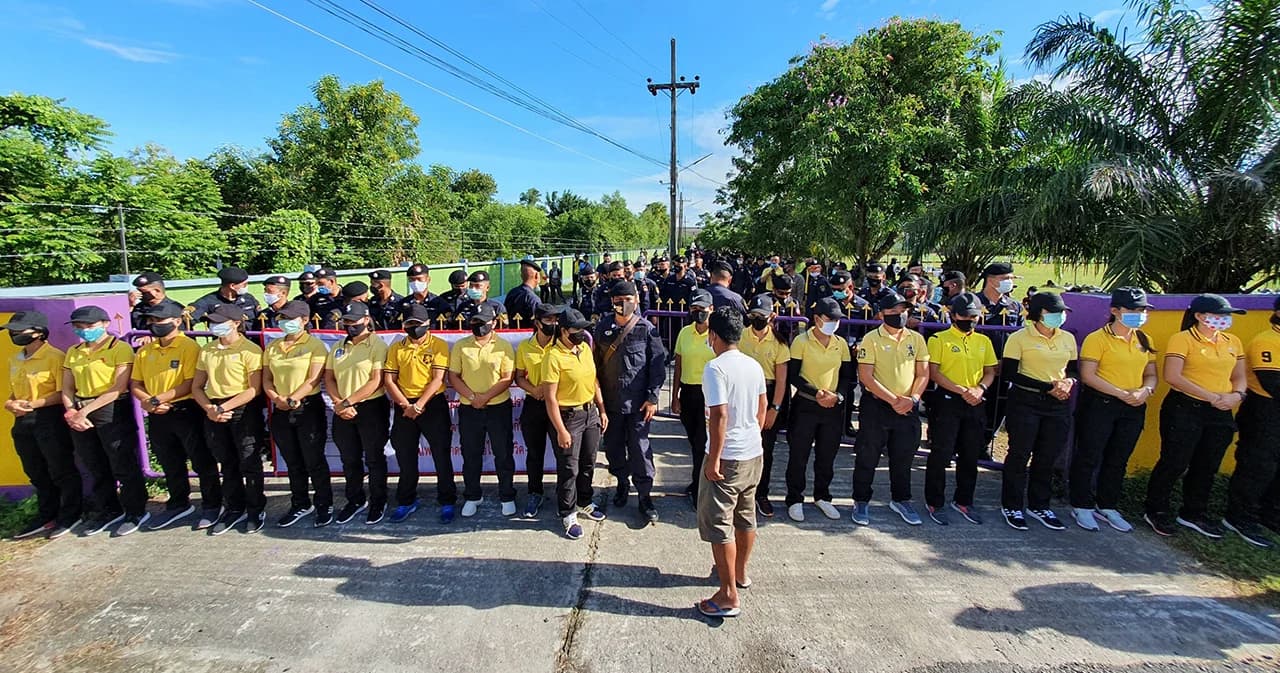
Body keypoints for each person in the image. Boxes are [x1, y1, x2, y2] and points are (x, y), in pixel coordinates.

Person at [1144, 294, 1247, 539]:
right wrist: (1211, 396)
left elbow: (1239, 376)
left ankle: (1193, 512)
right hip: (1186, 407)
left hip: (1221, 410)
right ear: (1199, 316)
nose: (1224, 319)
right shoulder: (1183, 339)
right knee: (1174, 461)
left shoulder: (1232, 341)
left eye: (1227, 316)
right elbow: (1173, 376)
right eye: (1219, 315)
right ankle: (1156, 509)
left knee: (1207, 464)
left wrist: (1237, 395)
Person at [696, 307, 766, 619]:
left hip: (728, 457)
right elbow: (762, 407)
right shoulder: (753, 364)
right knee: (745, 516)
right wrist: (751, 435)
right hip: (752, 452)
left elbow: (719, 415)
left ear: (713, 335)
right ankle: (739, 573)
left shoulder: (715, 368)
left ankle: (727, 595)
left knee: (719, 523)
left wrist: (714, 459)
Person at [1070, 287, 1157, 533]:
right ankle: (1081, 504)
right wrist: (1120, 393)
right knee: (1089, 454)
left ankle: (1107, 504)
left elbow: (1151, 374)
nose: (1139, 314)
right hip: (1102, 404)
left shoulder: (1145, 339)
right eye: (1133, 309)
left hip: (1134, 406)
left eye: (1142, 310)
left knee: (1118, 458)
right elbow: (1089, 375)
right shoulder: (1097, 338)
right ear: (1115, 311)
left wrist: (1145, 390)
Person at [131, 301, 221, 530]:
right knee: (169, 461)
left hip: (185, 410)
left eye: (159, 320)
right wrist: (148, 401)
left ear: (177, 321)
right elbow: (136, 383)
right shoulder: (145, 351)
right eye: (152, 320)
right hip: (157, 412)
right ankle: (179, 503)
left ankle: (212, 504)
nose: (154, 324)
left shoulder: (188, 347)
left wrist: (157, 399)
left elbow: (190, 383)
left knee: (201, 459)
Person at [62, 306, 148, 536]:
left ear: (105, 324)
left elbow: (118, 387)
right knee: (94, 463)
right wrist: (71, 411)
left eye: (90, 326)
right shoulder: (74, 351)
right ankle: (109, 509)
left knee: (122, 462)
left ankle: (135, 510)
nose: (84, 330)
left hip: (110, 408)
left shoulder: (119, 348)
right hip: (80, 409)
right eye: (79, 326)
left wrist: (84, 411)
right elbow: (67, 387)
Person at [999, 292, 1078, 531]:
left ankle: (1040, 504)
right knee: (1019, 454)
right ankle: (1012, 504)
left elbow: (1073, 369)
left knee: (1047, 456)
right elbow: (1010, 373)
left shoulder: (1067, 338)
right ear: (1038, 313)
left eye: (1061, 312)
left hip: (1058, 404)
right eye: (1053, 312)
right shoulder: (1019, 338)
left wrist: (1068, 383)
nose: (1059, 316)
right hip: (1026, 401)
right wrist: (1047, 387)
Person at [851, 292, 931, 527]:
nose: (900, 315)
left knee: (903, 456)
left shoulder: (916, 339)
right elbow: (866, 377)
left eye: (903, 311)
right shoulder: (871, 339)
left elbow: (923, 373)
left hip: (907, 407)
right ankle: (861, 500)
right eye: (894, 312)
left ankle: (901, 499)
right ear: (882, 314)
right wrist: (893, 400)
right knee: (867, 455)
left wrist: (913, 398)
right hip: (877, 406)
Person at [3, 311, 82, 539]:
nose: (14, 335)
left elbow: (62, 392)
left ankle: (71, 514)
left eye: (19, 331)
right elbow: (15, 392)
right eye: (11, 331)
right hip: (22, 420)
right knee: (35, 470)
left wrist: (32, 404)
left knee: (60, 468)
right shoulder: (15, 359)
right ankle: (47, 514)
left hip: (48, 418)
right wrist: (10, 403)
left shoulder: (55, 357)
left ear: (38, 332)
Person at [190, 304, 266, 535]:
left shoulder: (250, 350)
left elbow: (254, 389)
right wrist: (210, 409)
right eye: (212, 322)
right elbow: (197, 386)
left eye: (220, 322)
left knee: (249, 461)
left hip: (242, 408)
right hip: (213, 407)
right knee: (226, 461)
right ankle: (234, 507)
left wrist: (224, 407)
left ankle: (255, 509)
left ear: (235, 323)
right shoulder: (208, 350)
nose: (214, 326)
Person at [594, 280, 666, 523]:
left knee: (640, 449)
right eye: (618, 301)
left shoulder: (646, 329)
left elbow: (657, 366)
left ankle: (645, 496)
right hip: (611, 403)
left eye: (627, 300)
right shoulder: (603, 328)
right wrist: (599, 404)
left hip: (638, 405)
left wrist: (652, 398)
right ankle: (622, 482)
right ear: (612, 302)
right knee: (613, 448)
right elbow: (594, 367)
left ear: (635, 301)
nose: (623, 304)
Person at [924, 293, 997, 526]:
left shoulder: (983, 341)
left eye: (974, 316)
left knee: (970, 453)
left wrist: (979, 389)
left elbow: (990, 371)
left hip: (975, 400)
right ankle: (935, 501)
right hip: (948, 401)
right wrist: (961, 390)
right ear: (954, 315)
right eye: (965, 316)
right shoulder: (939, 339)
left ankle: (964, 500)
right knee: (941, 453)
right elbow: (934, 372)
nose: (970, 320)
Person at [262, 300, 333, 528]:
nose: (285, 322)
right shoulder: (273, 346)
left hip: (307, 407)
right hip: (280, 407)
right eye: (282, 318)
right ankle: (300, 503)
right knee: (293, 462)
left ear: (304, 320)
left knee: (314, 460)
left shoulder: (315, 346)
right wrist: (278, 399)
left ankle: (324, 504)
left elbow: (314, 378)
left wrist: (293, 399)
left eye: (290, 318)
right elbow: (266, 379)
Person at [384, 303, 456, 524]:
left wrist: (420, 404)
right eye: (409, 324)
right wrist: (406, 405)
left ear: (427, 324)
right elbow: (389, 380)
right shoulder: (397, 348)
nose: (414, 328)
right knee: (406, 457)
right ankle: (406, 501)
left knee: (441, 455)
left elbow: (438, 378)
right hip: (405, 405)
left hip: (432, 405)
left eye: (418, 324)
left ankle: (447, 500)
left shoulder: (438, 345)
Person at [784, 298, 853, 522]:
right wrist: (817, 393)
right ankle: (795, 498)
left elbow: (847, 376)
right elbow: (794, 375)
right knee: (799, 455)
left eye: (837, 319)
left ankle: (822, 496)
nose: (834, 323)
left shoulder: (840, 343)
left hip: (832, 406)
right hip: (806, 405)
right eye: (829, 319)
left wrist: (837, 396)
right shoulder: (801, 341)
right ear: (816, 318)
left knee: (827, 455)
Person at [543, 307, 609, 539]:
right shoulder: (553, 357)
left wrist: (601, 409)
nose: (581, 333)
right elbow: (550, 398)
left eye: (583, 329)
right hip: (568, 417)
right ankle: (568, 512)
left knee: (588, 462)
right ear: (563, 331)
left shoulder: (584, 349)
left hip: (590, 413)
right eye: (576, 330)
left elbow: (594, 381)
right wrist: (561, 430)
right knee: (569, 468)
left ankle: (584, 501)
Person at [324, 302, 391, 526]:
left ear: (366, 320)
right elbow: (329, 378)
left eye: (354, 321)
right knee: (349, 458)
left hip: (370, 407)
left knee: (374, 457)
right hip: (342, 408)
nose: (350, 325)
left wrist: (348, 402)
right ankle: (355, 499)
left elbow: (376, 380)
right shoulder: (338, 346)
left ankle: (378, 501)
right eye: (347, 321)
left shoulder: (377, 345)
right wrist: (339, 403)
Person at [449, 303, 517, 517]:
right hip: (469, 408)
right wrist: (472, 398)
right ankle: (472, 495)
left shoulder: (503, 346)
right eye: (475, 322)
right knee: (471, 454)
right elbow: (454, 376)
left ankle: (507, 495)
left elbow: (507, 377)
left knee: (503, 453)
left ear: (493, 323)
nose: (478, 326)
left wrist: (485, 397)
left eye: (483, 322)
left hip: (498, 407)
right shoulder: (461, 346)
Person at [1224, 295, 1280, 547]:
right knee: (1257, 466)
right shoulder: (1266, 341)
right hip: (1264, 411)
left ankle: (1270, 514)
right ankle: (1239, 516)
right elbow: (1273, 384)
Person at [738, 294, 789, 518]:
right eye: (754, 315)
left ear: (772, 317)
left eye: (762, 316)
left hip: (767, 395)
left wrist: (774, 409)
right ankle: (740, 492)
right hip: (743, 394)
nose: (758, 319)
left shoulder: (779, 343)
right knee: (739, 446)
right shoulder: (741, 336)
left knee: (765, 450)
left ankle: (761, 493)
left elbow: (781, 380)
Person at [514, 304, 561, 519]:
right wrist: (534, 390)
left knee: (563, 453)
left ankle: (565, 494)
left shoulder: (561, 344)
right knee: (534, 453)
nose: (553, 324)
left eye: (555, 320)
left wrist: (549, 389)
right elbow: (519, 376)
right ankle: (535, 492)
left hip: (558, 404)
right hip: (534, 403)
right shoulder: (526, 346)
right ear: (537, 323)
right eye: (548, 320)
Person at [674, 289, 717, 505]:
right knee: (694, 441)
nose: (698, 312)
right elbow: (679, 365)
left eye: (702, 308)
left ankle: (699, 487)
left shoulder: (717, 334)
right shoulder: (684, 333)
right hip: (689, 392)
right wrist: (675, 396)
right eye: (694, 308)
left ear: (711, 309)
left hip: (710, 395)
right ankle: (699, 481)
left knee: (702, 443)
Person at [189, 266, 260, 325]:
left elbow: (260, 318)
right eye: (244, 285)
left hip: (249, 337)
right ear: (232, 286)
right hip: (223, 337)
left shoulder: (249, 298)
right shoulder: (208, 301)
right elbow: (188, 320)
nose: (246, 286)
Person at [504, 260, 545, 328]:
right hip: (528, 334)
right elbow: (537, 324)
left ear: (521, 275)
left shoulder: (512, 293)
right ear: (536, 276)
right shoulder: (533, 299)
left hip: (511, 333)